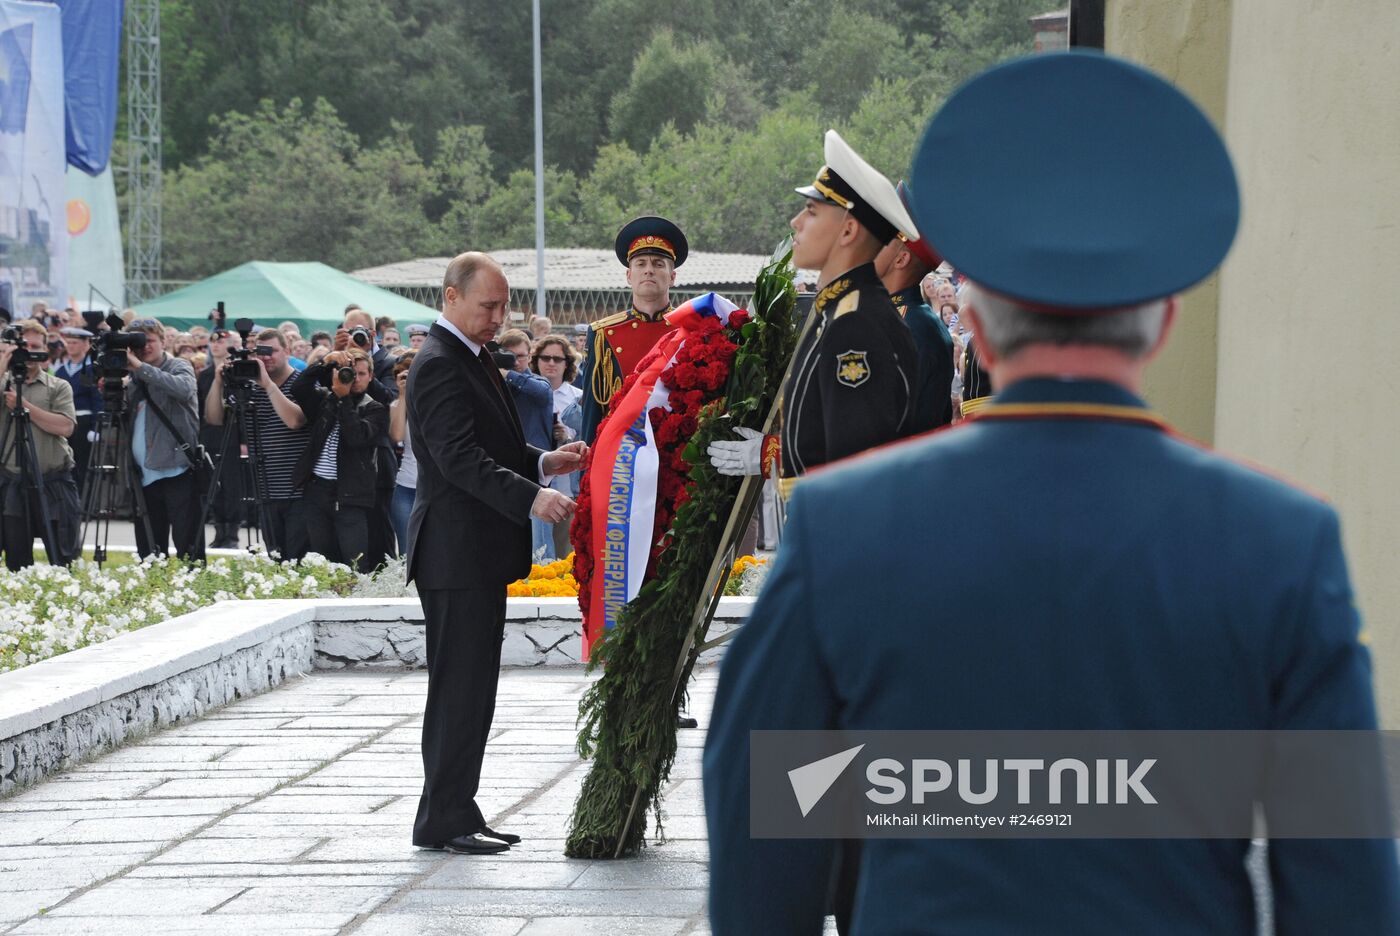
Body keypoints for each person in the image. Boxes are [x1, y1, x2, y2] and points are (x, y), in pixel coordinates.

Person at [703, 51, 1400, 935]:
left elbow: (766, 813)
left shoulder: (845, 529)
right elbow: (1343, 873)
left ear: (980, 327)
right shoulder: (1282, 543)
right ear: (1164, 325)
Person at [406, 252, 587, 856]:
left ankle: (456, 807)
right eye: (488, 305)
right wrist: (532, 497)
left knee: (473, 687)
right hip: (454, 553)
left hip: (474, 552)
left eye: (503, 305)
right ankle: (442, 817)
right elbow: (457, 458)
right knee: (459, 688)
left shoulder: (472, 355)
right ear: (450, 297)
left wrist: (541, 460)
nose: (498, 316)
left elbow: (492, 442)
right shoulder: (437, 363)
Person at [707, 130, 919, 495]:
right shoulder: (838, 312)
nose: (796, 222)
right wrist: (783, 445)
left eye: (811, 211)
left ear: (848, 230)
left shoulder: (855, 323)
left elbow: (852, 472)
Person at [577, 216, 689, 444]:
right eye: (641, 264)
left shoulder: (690, 329)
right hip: (621, 461)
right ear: (629, 276)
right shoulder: (602, 334)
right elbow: (592, 413)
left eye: (658, 264)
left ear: (673, 277)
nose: (649, 270)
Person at [206, 329, 313, 559]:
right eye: (260, 353)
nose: (265, 358)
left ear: (287, 351)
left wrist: (267, 385)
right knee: (276, 559)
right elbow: (214, 418)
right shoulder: (249, 388)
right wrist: (218, 382)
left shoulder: (301, 382)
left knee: (298, 560)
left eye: (271, 351)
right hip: (265, 491)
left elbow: (295, 420)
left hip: (299, 492)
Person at [289, 347, 385, 571]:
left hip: (350, 496)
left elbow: (356, 438)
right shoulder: (326, 399)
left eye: (362, 374)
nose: (355, 379)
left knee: (356, 562)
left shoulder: (375, 408)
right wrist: (324, 362)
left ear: (371, 376)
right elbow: (299, 388)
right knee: (324, 561)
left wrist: (344, 400)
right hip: (317, 490)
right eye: (350, 372)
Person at [874, 181, 955, 432]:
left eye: (880, 238)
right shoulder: (895, 318)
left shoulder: (915, 327)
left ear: (901, 258)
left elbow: (893, 428)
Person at [0, 321, 80, 569]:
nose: (29, 353)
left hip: (53, 481)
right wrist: (4, 360)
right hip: (13, 480)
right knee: (17, 563)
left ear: (45, 349)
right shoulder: (5, 384)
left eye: (35, 347)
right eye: (24, 346)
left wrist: (24, 407)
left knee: (63, 558)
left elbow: (65, 427)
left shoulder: (58, 386)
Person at [124, 319, 205, 561]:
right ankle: (153, 594)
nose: (144, 347)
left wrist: (139, 367)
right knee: (150, 552)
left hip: (177, 470)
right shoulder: (131, 377)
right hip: (143, 474)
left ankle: (196, 589)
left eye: (149, 340)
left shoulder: (179, 366)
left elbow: (183, 390)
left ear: (163, 341)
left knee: (188, 547)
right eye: (138, 342)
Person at [497, 328, 555, 559]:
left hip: (535, 471)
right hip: (503, 469)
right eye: (509, 356)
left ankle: (548, 585)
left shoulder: (538, 383)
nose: (515, 361)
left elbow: (540, 392)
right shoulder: (494, 386)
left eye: (520, 356)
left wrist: (507, 374)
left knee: (540, 540)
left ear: (530, 356)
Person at [531, 334, 583, 557]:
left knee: (564, 551)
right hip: (534, 481)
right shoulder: (527, 394)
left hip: (567, 485)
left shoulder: (577, 396)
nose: (551, 363)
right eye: (545, 358)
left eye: (557, 359)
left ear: (567, 364)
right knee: (537, 553)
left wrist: (567, 436)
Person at [197, 329, 243, 548]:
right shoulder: (205, 375)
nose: (216, 345)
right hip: (210, 434)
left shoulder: (239, 373)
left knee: (233, 485)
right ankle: (219, 529)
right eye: (213, 341)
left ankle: (231, 533)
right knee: (213, 485)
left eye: (222, 341)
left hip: (233, 434)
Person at [53, 327, 100, 498]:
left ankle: (83, 500)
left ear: (86, 345)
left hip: (83, 420)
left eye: (75, 343)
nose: (71, 346)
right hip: (63, 420)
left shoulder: (89, 369)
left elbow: (96, 398)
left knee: (82, 463)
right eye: (69, 342)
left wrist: (95, 426)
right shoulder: (61, 371)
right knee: (65, 463)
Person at [386, 351, 417, 554]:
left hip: (435, 488)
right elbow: (396, 435)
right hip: (405, 487)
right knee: (408, 553)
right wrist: (404, 394)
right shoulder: (397, 405)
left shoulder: (438, 402)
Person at [336, 308, 398, 400]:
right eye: (349, 333)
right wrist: (334, 356)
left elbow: (391, 400)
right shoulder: (341, 358)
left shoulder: (391, 362)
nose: (352, 338)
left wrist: (363, 360)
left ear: (372, 334)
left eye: (358, 332)